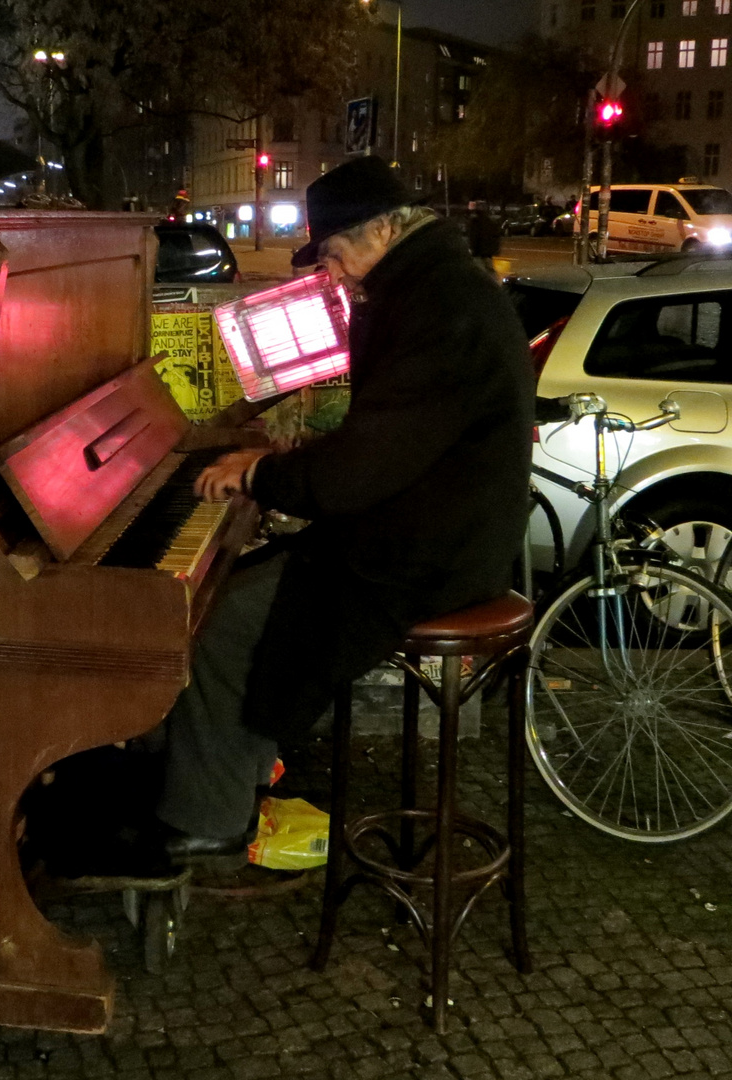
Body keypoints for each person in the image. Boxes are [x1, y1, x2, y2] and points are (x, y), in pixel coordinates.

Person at [151, 155, 535, 863]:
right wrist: (287, 465)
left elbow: (364, 468)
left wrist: (265, 473)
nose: (333, 272)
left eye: (335, 253)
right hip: (433, 531)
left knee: (225, 623)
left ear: (384, 229)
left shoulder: (437, 304)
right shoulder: (432, 288)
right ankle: (230, 774)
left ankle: (208, 817)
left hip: (431, 557)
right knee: (243, 588)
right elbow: (387, 441)